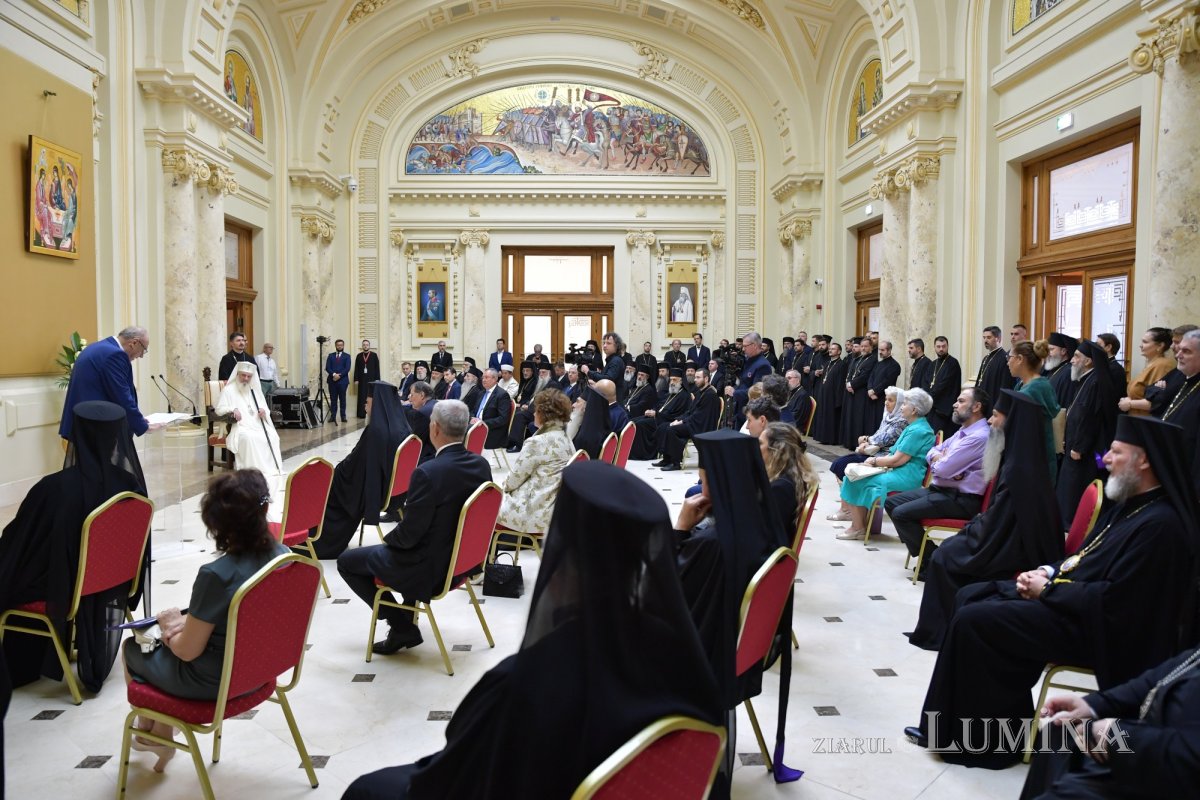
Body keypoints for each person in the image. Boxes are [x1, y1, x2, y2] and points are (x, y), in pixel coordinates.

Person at [341, 461, 721, 800]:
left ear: (564, 558)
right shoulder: (686, 657)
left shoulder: (524, 682)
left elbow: (457, 771)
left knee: (366, 789)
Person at [904, 414, 1197, 769]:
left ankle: (987, 743)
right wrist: (1047, 571)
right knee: (971, 596)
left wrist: (1047, 592)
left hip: (1102, 631)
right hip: (1076, 606)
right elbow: (1085, 559)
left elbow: (1120, 603)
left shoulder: (1161, 526)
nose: (1105, 459)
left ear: (1144, 460)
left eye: (1116, 452)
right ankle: (946, 730)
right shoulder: (1131, 505)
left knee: (977, 621)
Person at [122, 469, 288, 772]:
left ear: (216, 525)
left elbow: (187, 652)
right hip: (262, 668)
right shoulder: (285, 556)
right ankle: (157, 732)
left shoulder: (216, 576)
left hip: (217, 682)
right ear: (265, 509)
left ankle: (158, 732)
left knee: (133, 649)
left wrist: (171, 625)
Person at [673, 429, 799, 784]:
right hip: (739, 650)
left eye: (701, 480)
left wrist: (681, 530)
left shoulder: (713, 542)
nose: (698, 488)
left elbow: (666, 588)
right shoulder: (761, 522)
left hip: (702, 653)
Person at [1, 402, 145, 694]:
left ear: (75, 436)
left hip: (67, 588)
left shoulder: (54, 488)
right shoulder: (130, 484)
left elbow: (21, 539)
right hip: (112, 581)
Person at [907, 390, 1063, 650]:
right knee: (946, 552)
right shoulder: (1015, 458)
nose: (990, 422)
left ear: (1012, 422)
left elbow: (1004, 524)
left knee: (945, 558)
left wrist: (972, 532)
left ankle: (943, 633)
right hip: (999, 537)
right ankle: (939, 629)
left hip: (1011, 548)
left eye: (996, 416)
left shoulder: (1020, 470)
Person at [336, 401, 492, 654]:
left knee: (347, 561)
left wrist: (388, 541)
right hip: (462, 561)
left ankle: (400, 624)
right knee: (416, 542)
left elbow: (409, 535)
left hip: (429, 569)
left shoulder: (428, 472)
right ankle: (404, 621)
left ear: (435, 429)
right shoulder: (480, 465)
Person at [1019, 644, 1200, 800]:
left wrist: (1117, 735)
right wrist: (1092, 705)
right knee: (1060, 731)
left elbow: (1190, 758)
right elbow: (1158, 678)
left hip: (1169, 775)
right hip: (1151, 751)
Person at [885, 387, 991, 577]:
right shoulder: (963, 430)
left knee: (902, 514)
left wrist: (943, 464)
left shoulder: (979, 436)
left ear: (976, 406)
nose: (954, 404)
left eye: (961, 401)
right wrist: (943, 460)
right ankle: (931, 557)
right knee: (892, 502)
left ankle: (933, 560)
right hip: (942, 490)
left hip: (961, 499)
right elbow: (932, 452)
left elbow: (942, 469)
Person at [313, 381, 413, 559]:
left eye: (367, 403)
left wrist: (337, 471)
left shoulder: (376, 431)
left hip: (374, 489)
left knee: (329, 482)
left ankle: (320, 540)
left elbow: (355, 466)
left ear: (377, 404)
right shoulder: (402, 426)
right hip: (393, 490)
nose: (365, 408)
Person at [57, 326, 154, 488]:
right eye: (143, 350)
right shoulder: (114, 355)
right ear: (133, 343)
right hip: (96, 429)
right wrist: (142, 425)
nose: (142, 355)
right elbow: (122, 396)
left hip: (84, 424)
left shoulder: (98, 347)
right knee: (100, 479)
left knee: (89, 476)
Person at [835, 388, 937, 541]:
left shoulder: (919, 431)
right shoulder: (913, 426)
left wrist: (874, 461)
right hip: (898, 470)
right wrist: (872, 464)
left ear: (914, 409)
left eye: (905, 404)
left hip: (906, 475)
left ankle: (857, 527)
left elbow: (898, 460)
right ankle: (859, 525)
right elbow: (893, 455)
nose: (901, 406)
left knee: (853, 478)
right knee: (855, 473)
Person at [1057, 339, 1118, 530]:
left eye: (1076, 356)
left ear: (1089, 361)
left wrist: (1078, 446)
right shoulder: (1086, 379)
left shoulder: (1096, 382)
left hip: (1087, 450)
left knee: (1076, 486)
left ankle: (1073, 525)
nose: (1072, 361)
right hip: (1077, 444)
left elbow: (1091, 418)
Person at [495, 389, 575, 534]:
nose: (533, 414)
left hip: (535, 512)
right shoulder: (566, 439)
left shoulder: (537, 442)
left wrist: (500, 488)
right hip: (556, 509)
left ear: (544, 415)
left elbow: (512, 481)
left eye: (536, 410)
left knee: (483, 502)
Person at [826, 386, 908, 521]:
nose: (886, 403)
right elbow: (878, 435)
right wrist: (868, 442)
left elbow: (884, 439)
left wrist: (866, 439)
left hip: (882, 457)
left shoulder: (901, 421)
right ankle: (848, 507)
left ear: (899, 403)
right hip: (874, 453)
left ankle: (848, 509)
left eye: (891, 400)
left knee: (842, 465)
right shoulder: (888, 416)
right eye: (886, 399)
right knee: (838, 465)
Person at [214, 362, 282, 480]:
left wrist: (263, 411)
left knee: (272, 436)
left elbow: (264, 406)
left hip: (257, 425)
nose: (246, 379)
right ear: (237, 374)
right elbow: (219, 409)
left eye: (249, 376)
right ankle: (251, 472)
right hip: (240, 427)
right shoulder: (228, 390)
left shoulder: (254, 390)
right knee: (250, 439)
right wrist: (232, 409)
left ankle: (269, 468)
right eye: (243, 375)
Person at [1152, 328, 1200, 493]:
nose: (1178, 355)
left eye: (1186, 351)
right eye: (1180, 350)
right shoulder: (1186, 381)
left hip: (1187, 480)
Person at [759, 421, 819, 545]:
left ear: (776, 450)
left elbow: (765, 531)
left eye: (760, 443)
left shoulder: (781, 487)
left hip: (768, 553)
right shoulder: (788, 476)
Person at [1009, 340, 1061, 482]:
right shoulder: (1023, 384)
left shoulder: (1034, 389)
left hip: (1034, 459)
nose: (1008, 363)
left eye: (1010, 357)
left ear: (1020, 359)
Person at [654, 368, 721, 471]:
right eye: (695, 378)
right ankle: (666, 459)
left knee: (672, 430)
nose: (695, 380)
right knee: (664, 426)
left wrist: (682, 422)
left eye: (698, 377)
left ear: (706, 378)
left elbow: (700, 416)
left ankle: (675, 463)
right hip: (693, 422)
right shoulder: (701, 392)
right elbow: (690, 411)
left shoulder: (710, 395)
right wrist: (678, 419)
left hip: (700, 426)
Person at [630, 367, 691, 460]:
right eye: (670, 380)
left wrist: (656, 414)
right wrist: (652, 410)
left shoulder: (684, 396)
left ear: (681, 381)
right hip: (658, 418)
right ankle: (631, 452)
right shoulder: (670, 393)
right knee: (633, 421)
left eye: (675, 380)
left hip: (666, 421)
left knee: (640, 424)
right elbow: (659, 405)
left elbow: (676, 415)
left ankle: (644, 454)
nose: (672, 382)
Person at [1118, 326, 1175, 416]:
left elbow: (1157, 400)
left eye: (1145, 342)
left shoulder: (1162, 365)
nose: (1141, 345)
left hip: (1146, 422)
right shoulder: (1152, 364)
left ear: (1160, 345)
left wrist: (1129, 403)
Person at [724, 331, 773, 422]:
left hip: (751, 412)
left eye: (745, 346)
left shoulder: (763, 365)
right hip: (740, 408)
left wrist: (735, 393)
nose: (743, 349)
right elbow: (744, 381)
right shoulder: (748, 360)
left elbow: (757, 392)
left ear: (754, 345)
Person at [840, 336, 877, 449]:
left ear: (871, 347)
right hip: (851, 392)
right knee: (850, 417)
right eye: (862, 346)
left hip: (861, 393)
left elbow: (865, 376)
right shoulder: (858, 359)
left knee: (858, 418)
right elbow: (850, 372)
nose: (863, 348)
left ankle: (856, 443)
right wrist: (848, 383)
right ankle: (849, 442)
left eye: (866, 346)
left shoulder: (873, 359)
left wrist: (852, 384)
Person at [926, 336, 963, 438]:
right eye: (938, 346)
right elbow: (927, 382)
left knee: (941, 437)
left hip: (944, 409)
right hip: (932, 407)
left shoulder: (953, 363)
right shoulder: (933, 364)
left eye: (943, 346)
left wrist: (929, 397)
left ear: (947, 347)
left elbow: (944, 385)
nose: (941, 349)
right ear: (934, 347)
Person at [811, 341, 847, 444]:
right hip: (824, 395)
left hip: (833, 396)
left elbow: (840, 383)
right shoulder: (827, 364)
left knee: (831, 418)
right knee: (823, 416)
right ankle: (823, 438)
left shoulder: (842, 365)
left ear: (839, 352)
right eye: (830, 349)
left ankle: (831, 439)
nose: (830, 350)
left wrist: (838, 399)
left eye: (833, 349)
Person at [470, 368, 514, 450]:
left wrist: (483, 423)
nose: (483, 380)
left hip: (492, 431)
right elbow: (474, 410)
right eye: (483, 377)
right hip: (476, 426)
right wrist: (472, 418)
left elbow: (503, 419)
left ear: (494, 379)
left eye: (486, 377)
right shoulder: (481, 393)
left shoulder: (502, 395)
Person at [1044, 332, 1079, 410]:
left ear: (1063, 351)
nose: (1048, 353)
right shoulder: (1053, 369)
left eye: (1051, 349)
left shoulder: (1069, 372)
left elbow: (1066, 403)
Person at [975, 325, 1009, 403]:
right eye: (984, 337)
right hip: (981, 402)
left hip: (994, 402)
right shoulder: (986, 358)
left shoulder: (1004, 358)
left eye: (989, 337)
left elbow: (1005, 385)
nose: (985, 340)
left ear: (998, 339)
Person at [404, 381, 437, 461]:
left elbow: (415, 440)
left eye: (412, 395)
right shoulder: (435, 404)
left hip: (430, 456)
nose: (409, 398)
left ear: (422, 395)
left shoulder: (422, 413)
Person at [326, 338, 351, 424]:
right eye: (338, 345)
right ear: (335, 346)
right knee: (333, 399)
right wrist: (334, 375)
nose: (340, 346)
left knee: (342, 399)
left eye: (341, 345)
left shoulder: (347, 356)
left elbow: (347, 368)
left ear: (343, 346)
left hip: (343, 381)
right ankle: (333, 416)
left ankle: (343, 416)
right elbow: (327, 367)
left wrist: (339, 376)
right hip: (332, 381)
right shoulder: (330, 356)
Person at [355, 339, 381, 419]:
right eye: (364, 345)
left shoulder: (374, 355)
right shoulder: (359, 356)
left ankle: (372, 413)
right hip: (362, 380)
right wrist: (356, 379)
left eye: (367, 345)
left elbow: (377, 368)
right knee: (362, 396)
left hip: (372, 379)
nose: (365, 346)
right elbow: (356, 368)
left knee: (371, 396)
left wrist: (378, 379)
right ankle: (361, 413)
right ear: (362, 346)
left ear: (369, 346)